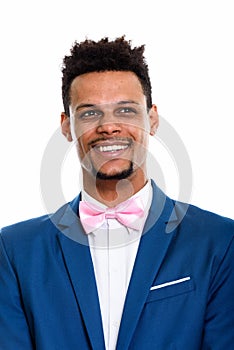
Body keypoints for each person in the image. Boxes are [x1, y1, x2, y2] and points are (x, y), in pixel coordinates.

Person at [0, 36, 233, 350]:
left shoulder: (220, 242)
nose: (108, 126)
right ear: (66, 126)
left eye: (125, 110)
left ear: (151, 119)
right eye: (89, 113)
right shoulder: (14, 251)